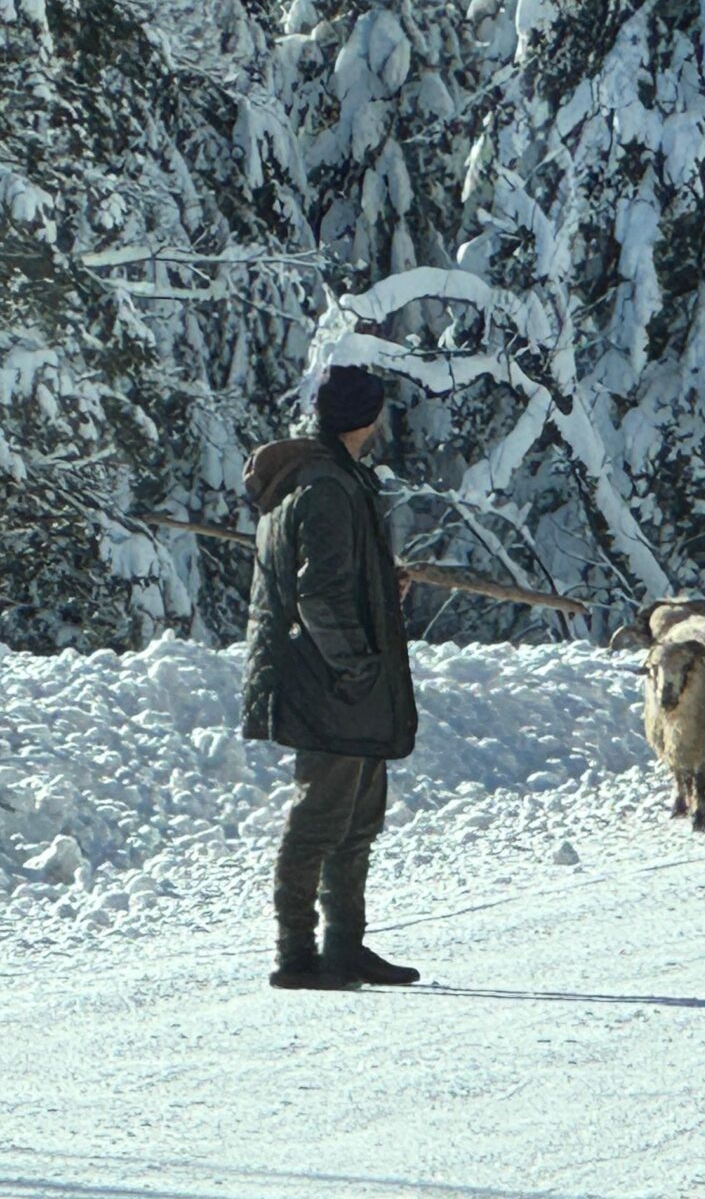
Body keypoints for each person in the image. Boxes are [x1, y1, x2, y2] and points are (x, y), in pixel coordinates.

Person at [239, 365, 420, 991]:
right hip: (331, 682)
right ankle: (296, 955)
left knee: (356, 819)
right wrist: (357, 667)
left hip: (332, 678)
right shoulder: (325, 487)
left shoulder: (321, 479)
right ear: (365, 420)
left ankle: (345, 948)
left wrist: (380, 581)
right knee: (320, 819)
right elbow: (318, 596)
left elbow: (327, 579)